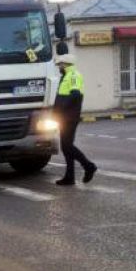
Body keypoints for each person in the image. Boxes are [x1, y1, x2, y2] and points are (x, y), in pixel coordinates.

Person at [53, 53, 97, 186]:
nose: (59, 67)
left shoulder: (73, 76)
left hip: (69, 117)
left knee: (67, 146)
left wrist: (61, 109)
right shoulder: (66, 76)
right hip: (64, 117)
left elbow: (75, 94)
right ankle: (69, 177)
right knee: (66, 147)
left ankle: (89, 166)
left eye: (60, 64)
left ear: (65, 64)